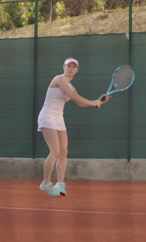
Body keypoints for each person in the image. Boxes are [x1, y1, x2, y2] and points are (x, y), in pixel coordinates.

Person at [37, 57, 110, 197]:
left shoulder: (72, 86)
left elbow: (81, 103)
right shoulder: (58, 79)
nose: (70, 68)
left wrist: (99, 102)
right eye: (68, 66)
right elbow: (74, 97)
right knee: (55, 151)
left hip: (59, 118)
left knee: (63, 152)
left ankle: (60, 183)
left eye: (73, 67)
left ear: (77, 70)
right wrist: (93, 102)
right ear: (63, 67)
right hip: (47, 116)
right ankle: (45, 183)